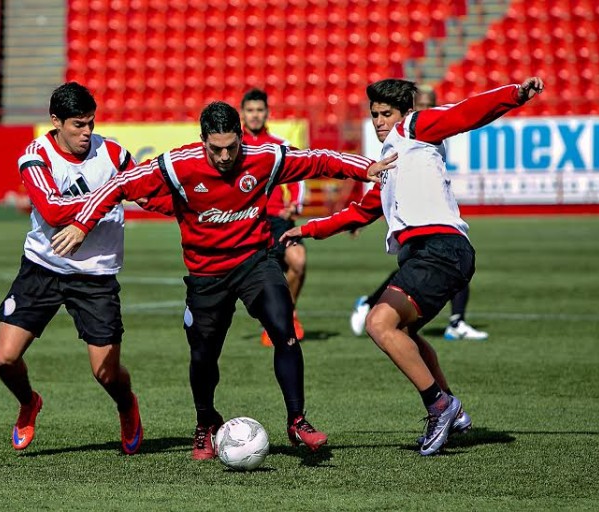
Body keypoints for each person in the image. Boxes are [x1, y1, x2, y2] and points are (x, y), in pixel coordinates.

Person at [51, 101, 395, 459]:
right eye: (216, 149)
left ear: (241, 137)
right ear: (202, 141)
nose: (226, 156)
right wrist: (81, 224)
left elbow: (317, 160)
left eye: (232, 146)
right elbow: (121, 183)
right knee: (203, 355)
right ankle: (205, 423)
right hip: (206, 273)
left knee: (283, 327)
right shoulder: (178, 164)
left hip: (254, 262)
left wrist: (364, 168)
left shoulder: (264, 156)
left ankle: (297, 421)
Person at [280, 77, 544, 455]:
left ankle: (440, 405)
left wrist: (514, 94)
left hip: (440, 249)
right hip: (432, 254)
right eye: (375, 115)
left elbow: (465, 113)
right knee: (404, 331)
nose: (380, 121)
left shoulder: (415, 128)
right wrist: (306, 230)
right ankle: (456, 412)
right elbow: (359, 212)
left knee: (378, 323)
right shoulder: (390, 163)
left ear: (405, 112)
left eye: (386, 113)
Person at [0, 82, 143, 454]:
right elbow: (53, 211)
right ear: (56, 121)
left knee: (106, 373)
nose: (87, 132)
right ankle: (29, 402)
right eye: (78, 124)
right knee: (5, 359)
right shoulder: (36, 156)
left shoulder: (113, 154)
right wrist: (112, 194)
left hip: (96, 275)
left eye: (91, 123)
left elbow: (145, 189)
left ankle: (127, 405)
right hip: (42, 267)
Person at [350, 84, 489, 342]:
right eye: (421, 105)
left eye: (430, 105)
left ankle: (455, 321)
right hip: (416, 224)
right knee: (431, 264)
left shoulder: (429, 129)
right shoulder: (407, 134)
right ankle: (371, 303)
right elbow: (380, 191)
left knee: (445, 258)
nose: (425, 111)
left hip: (435, 219)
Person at [241, 88, 307, 347]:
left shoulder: (279, 145)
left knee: (297, 261)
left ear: (267, 113)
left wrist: (295, 205)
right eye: (250, 110)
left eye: (259, 110)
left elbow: (299, 174)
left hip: (278, 219)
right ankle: (273, 318)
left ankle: (287, 314)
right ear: (242, 113)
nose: (255, 115)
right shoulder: (235, 145)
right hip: (248, 220)